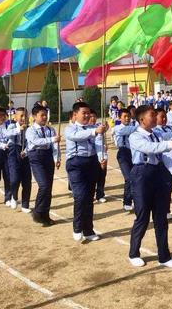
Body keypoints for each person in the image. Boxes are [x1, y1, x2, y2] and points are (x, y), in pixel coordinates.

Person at [128, 105, 172, 268]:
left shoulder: (157, 134)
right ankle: (133, 253)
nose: (156, 117)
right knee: (143, 216)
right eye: (152, 115)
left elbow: (165, 155)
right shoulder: (135, 136)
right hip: (141, 175)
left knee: (161, 217)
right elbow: (150, 148)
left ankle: (164, 256)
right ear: (142, 119)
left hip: (158, 174)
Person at [64, 102, 107, 241]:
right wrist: (95, 131)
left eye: (89, 113)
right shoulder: (70, 129)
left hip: (91, 162)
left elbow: (99, 144)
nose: (87, 115)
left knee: (89, 198)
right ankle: (77, 227)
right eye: (84, 113)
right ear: (75, 115)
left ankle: (88, 230)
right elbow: (77, 136)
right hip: (76, 164)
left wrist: (102, 157)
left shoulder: (94, 128)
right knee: (80, 196)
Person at [25, 105, 61, 226]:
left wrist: (57, 158)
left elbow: (55, 146)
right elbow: (36, 141)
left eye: (46, 115)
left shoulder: (50, 130)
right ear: (34, 117)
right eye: (42, 115)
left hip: (47, 157)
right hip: (36, 157)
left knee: (48, 188)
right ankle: (38, 211)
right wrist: (52, 140)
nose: (45, 117)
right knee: (43, 185)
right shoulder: (30, 130)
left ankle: (45, 215)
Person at [6, 107, 32, 212]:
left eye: (25, 115)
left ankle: (25, 205)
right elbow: (7, 134)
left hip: (25, 154)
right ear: (15, 117)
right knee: (15, 179)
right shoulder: (12, 126)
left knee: (27, 181)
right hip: (13, 153)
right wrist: (18, 129)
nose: (23, 118)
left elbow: (31, 143)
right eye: (20, 115)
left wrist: (25, 151)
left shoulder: (30, 128)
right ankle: (14, 196)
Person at [113, 108, 137, 211]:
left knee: (135, 178)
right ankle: (127, 201)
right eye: (125, 117)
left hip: (133, 153)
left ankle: (134, 199)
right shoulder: (118, 128)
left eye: (129, 116)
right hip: (123, 153)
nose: (127, 118)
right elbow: (129, 130)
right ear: (120, 118)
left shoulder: (134, 126)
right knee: (128, 177)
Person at [0, 105, 12, 205]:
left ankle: (8, 198)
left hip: (7, 153)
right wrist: (3, 145)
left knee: (8, 175)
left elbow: (12, 136)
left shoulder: (8, 125)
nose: (3, 117)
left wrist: (8, 143)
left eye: (4, 115)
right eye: (0, 115)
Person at [89, 110, 108, 203]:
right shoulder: (86, 128)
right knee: (92, 177)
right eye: (90, 116)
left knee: (102, 175)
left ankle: (100, 194)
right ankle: (90, 195)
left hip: (101, 153)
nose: (92, 118)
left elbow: (105, 132)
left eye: (94, 116)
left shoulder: (99, 126)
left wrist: (106, 125)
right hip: (92, 154)